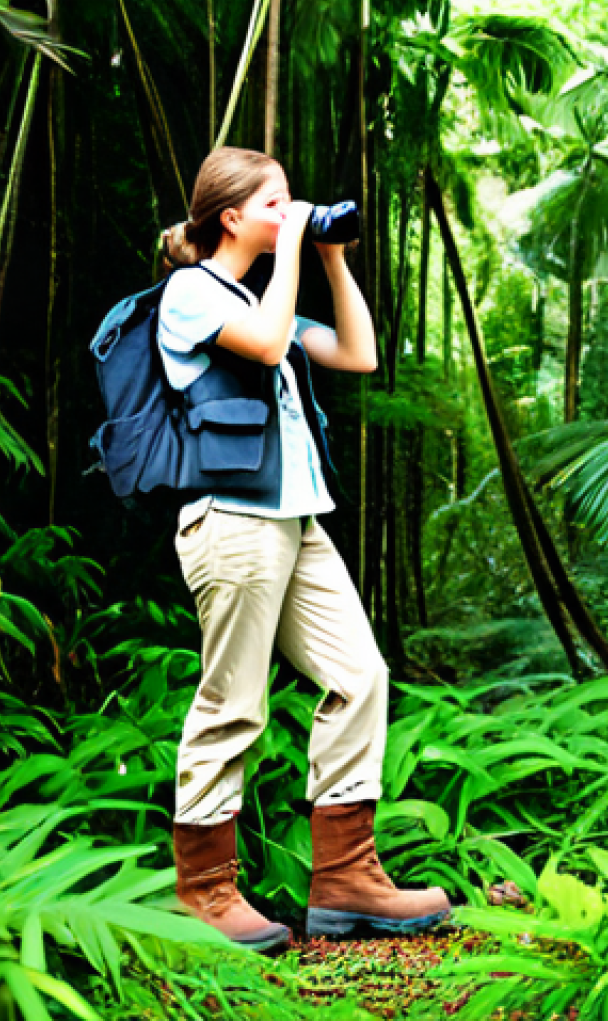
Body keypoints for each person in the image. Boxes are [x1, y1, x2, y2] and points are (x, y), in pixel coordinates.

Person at [158, 147, 450, 952]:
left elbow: (359, 354)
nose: (291, 211)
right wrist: (291, 255)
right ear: (231, 217)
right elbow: (264, 342)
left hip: (299, 520)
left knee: (361, 676)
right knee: (233, 701)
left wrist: (328, 256)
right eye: (277, 203)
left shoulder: (266, 294)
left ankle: (347, 878)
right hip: (233, 521)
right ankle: (205, 889)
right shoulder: (191, 294)